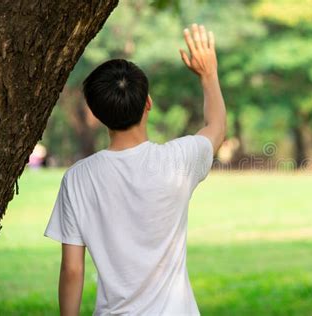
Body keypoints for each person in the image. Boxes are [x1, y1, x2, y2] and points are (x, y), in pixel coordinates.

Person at [44, 24, 226, 315]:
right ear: (148, 103)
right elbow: (216, 127)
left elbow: (72, 270)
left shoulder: (78, 178)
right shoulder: (178, 161)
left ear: (97, 113)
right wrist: (209, 74)